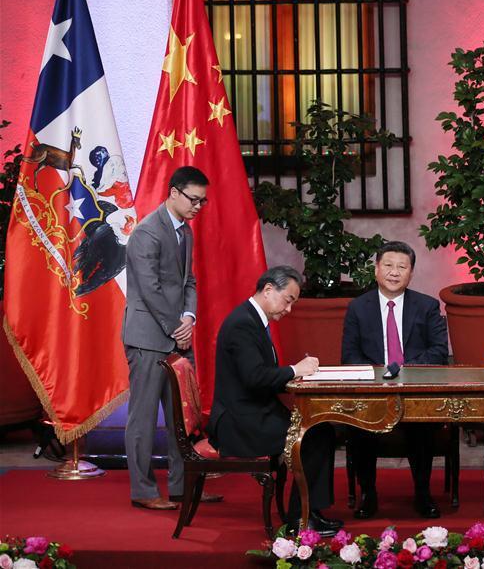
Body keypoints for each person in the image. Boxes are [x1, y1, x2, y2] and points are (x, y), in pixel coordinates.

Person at [207, 266, 341, 536]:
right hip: (240, 422)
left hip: (255, 412)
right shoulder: (242, 324)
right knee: (315, 435)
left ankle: (310, 510)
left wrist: (295, 372)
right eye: (288, 300)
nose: (289, 310)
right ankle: (299, 519)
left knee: (323, 428)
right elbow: (254, 377)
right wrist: (295, 370)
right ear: (269, 290)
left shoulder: (252, 319)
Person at [122, 166, 220, 510]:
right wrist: (175, 327)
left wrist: (189, 318)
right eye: (193, 199)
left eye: (203, 201)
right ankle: (144, 490)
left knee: (184, 418)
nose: (198, 206)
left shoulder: (185, 232)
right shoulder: (147, 232)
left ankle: (183, 487)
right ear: (174, 193)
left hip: (177, 335)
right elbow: (149, 289)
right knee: (143, 418)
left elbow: (187, 281)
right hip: (148, 337)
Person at [341, 241, 449, 520]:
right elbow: (350, 355)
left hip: (414, 389)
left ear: (411, 273)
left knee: (422, 426)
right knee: (360, 426)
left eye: (402, 267)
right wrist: (379, 377)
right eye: (388, 265)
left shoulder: (426, 306)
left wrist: (404, 371)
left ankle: (423, 494)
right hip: (374, 391)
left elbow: (438, 352)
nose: (394, 272)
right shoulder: (358, 307)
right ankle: (368, 494)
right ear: (376, 269)